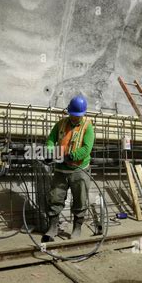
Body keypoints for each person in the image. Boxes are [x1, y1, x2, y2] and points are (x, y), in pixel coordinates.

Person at [42, 95, 95, 242]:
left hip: (79, 170)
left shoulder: (87, 126)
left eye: (77, 116)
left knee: (80, 200)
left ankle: (77, 228)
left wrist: (72, 156)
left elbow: (86, 148)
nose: (74, 118)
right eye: (72, 115)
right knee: (55, 197)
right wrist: (50, 152)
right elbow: (51, 140)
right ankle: (53, 227)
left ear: (82, 114)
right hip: (60, 169)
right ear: (69, 112)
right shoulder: (61, 124)